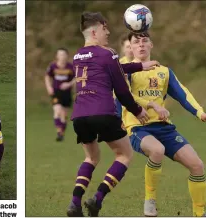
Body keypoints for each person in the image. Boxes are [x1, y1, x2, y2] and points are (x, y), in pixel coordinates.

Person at [117, 31, 206, 217]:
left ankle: (200, 213)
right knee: (157, 150)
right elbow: (123, 96)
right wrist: (120, 119)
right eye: (136, 42)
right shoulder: (124, 69)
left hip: (164, 127)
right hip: (137, 127)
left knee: (197, 166)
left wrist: (201, 113)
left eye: (144, 41)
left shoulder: (163, 71)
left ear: (151, 45)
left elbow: (183, 93)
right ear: (130, 47)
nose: (141, 44)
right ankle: (150, 200)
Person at [66, 12, 159, 217]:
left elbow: (109, 68)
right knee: (124, 155)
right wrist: (138, 110)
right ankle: (97, 199)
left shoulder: (77, 56)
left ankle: (75, 203)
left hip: (80, 116)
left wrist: (139, 66)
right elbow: (122, 90)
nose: (108, 32)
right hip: (104, 113)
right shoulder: (108, 53)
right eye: (104, 28)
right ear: (94, 31)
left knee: (91, 158)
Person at [44, 48, 75, 141]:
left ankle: (61, 133)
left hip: (67, 93)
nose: (62, 57)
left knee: (64, 114)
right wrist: (49, 87)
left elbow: (77, 77)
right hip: (56, 92)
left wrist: (68, 84)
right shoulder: (53, 66)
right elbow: (47, 77)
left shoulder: (70, 67)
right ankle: (59, 132)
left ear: (67, 56)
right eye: (60, 54)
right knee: (57, 110)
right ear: (57, 56)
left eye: (64, 54)